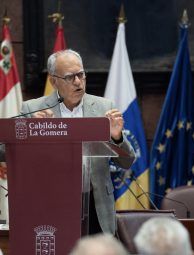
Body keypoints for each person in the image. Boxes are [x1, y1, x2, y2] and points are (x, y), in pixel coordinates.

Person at [20, 49, 135, 234]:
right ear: (53, 81)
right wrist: (31, 133)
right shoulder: (33, 109)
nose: (78, 82)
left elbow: (127, 161)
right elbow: (4, 153)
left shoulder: (104, 108)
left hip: (95, 204)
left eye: (81, 74)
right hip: (51, 204)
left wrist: (117, 137)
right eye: (69, 77)